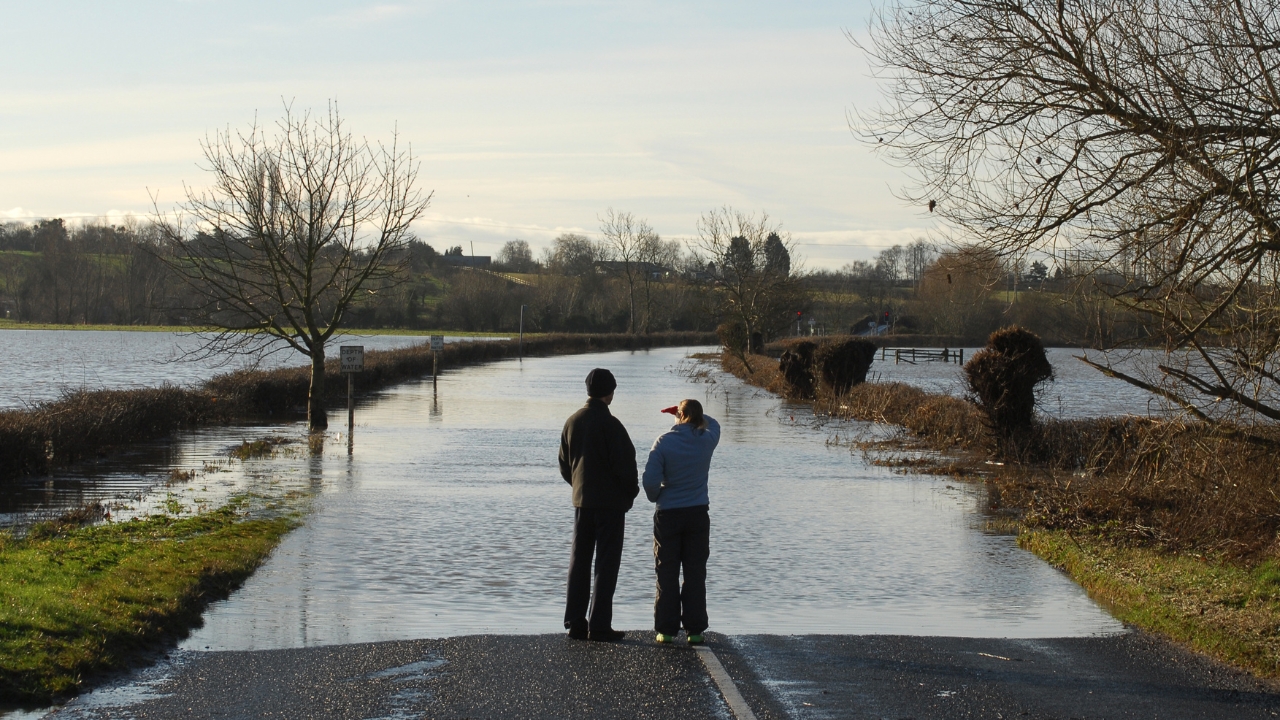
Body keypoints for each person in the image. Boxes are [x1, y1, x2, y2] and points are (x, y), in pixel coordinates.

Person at [559, 368, 639, 642]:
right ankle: (600, 624)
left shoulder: (572, 422)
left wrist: (579, 488)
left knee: (579, 560)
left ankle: (576, 622)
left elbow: (564, 465)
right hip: (611, 506)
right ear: (610, 393)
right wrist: (630, 495)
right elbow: (626, 467)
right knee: (606, 564)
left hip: (582, 502)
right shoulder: (612, 425)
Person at [641, 398, 720, 645]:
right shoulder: (707, 440)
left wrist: (658, 496)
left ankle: (666, 629)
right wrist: (691, 416)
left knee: (667, 571)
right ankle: (695, 630)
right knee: (695, 572)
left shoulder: (663, 442)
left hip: (669, 514)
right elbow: (715, 424)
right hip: (697, 513)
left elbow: (650, 482)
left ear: (680, 415)